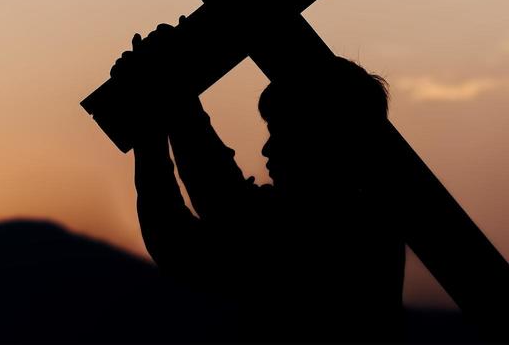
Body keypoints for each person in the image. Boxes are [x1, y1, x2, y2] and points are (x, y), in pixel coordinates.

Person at [112, 20, 404, 343]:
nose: (267, 148)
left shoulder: (352, 230)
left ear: (321, 137)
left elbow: (217, 212)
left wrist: (165, 102)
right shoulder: (365, 224)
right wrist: (158, 116)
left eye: (281, 133)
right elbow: (185, 237)